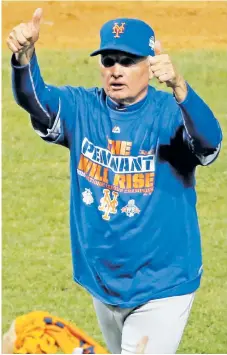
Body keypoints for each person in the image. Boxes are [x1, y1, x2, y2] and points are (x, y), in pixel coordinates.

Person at [7, 7, 222, 354]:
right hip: (103, 282)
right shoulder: (83, 108)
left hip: (161, 286)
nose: (116, 70)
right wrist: (24, 58)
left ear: (150, 65)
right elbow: (37, 101)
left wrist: (180, 87)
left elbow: (210, 143)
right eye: (109, 60)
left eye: (128, 60)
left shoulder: (169, 114)